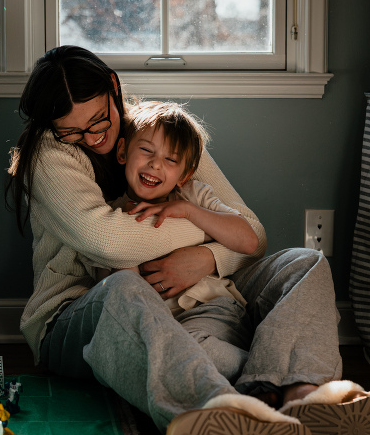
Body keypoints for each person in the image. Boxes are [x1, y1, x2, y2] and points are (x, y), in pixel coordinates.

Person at [6, 45, 370, 435]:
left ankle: (302, 393)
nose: (94, 137)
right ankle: (216, 409)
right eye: (74, 131)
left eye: (99, 120)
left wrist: (205, 256)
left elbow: (252, 234)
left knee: (303, 263)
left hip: (200, 298)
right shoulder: (51, 153)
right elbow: (109, 242)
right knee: (124, 288)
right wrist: (206, 233)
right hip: (80, 318)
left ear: (113, 88)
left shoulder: (161, 133)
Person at [93, 100, 253, 322]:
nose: (156, 164)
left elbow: (249, 242)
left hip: (209, 306)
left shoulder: (194, 196)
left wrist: (189, 211)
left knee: (208, 348)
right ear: (122, 152)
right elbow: (114, 290)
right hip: (153, 322)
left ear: (184, 175)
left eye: (170, 159)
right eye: (146, 150)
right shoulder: (109, 216)